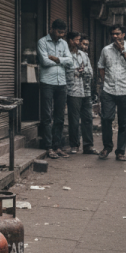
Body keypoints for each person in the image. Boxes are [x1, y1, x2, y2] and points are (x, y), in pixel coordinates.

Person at [97, 24, 126, 161]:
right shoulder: (106, 50)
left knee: (123, 122)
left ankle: (120, 151)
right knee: (106, 119)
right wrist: (104, 82)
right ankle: (107, 147)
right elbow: (101, 66)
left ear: (123, 35)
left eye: (117, 34)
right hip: (109, 90)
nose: (115, 36)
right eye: (113, 34)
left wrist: (123, 52)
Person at [37, 19, 73, 158]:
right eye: (59, 32)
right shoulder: (42, 42)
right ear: (51, 29)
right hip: (47, 82)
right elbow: (44, 62)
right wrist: (62, 60)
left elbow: (70, 61)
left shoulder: (64, 43)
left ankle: (57, 146)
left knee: (59, 117)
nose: (61, 35)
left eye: (63, 32)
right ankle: (48, 146)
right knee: (47, 116)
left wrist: (57, 59)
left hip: (61, 83)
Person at [66, 32, 96, 154]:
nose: (79, 43)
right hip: (73, 91)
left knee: (88, 118)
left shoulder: (84, 55)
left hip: (86, 90)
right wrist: (78, 71)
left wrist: (80, 71)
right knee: (74, 119)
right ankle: (74, 145)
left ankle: (88, 146)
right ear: (70, 41)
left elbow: (90, 72)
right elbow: (68, 72)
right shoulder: (66, 55)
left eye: (80, 40)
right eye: (77, 40)